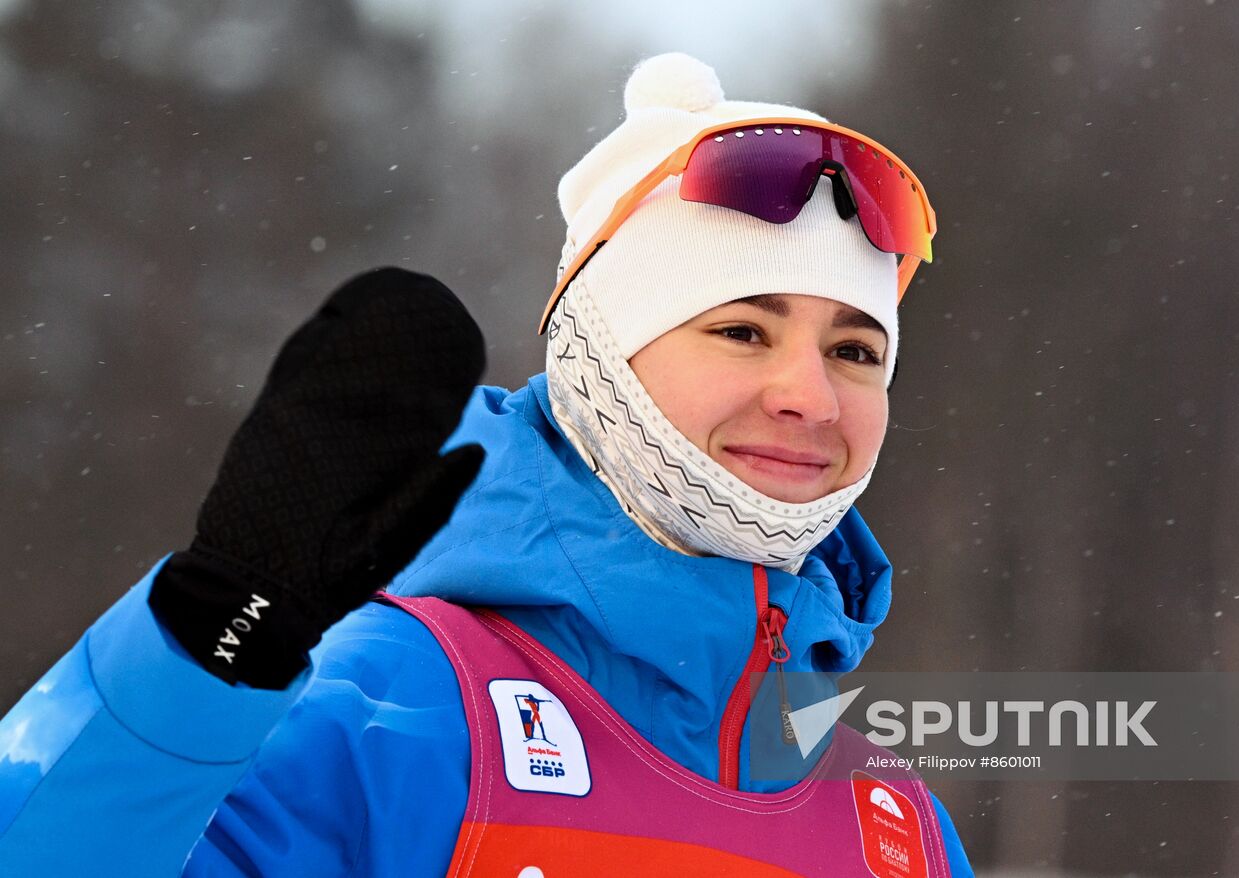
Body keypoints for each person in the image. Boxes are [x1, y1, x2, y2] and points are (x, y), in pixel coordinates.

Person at [0, 53, 973, 876]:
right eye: (742, 330)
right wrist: (209, 632)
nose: (810, 396)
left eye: (856, 350)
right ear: (603, 359)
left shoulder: (893, 822)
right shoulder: (392, 707)